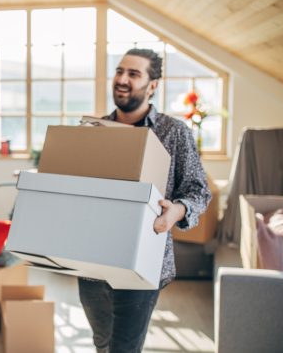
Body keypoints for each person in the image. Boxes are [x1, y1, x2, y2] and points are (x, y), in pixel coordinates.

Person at [78, 48, 211, 353]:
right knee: (103, 342)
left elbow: (199, 190)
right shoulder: (94, 131)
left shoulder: (174, 132)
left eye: (133, 74)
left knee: (124, 348)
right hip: (91, 265)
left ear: (153, 85)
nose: (122, 79)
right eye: (120, 71)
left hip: (143, 264)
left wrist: (177, 210)